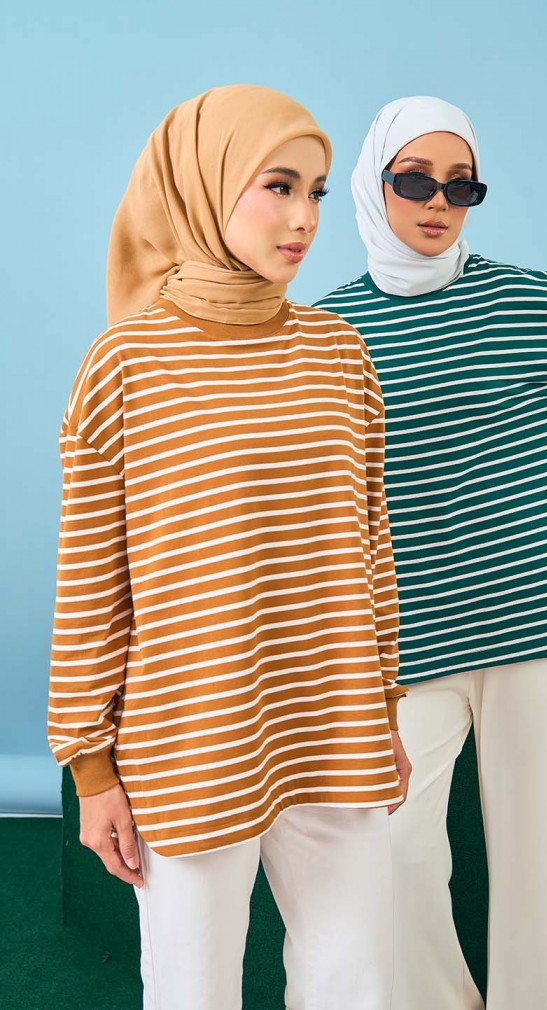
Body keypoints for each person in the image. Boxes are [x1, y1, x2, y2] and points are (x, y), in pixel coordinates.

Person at [47, 84, 411, 1010]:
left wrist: (384, 707)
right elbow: (91, 580)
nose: (304, 219)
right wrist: (92, 769)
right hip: (191, 736)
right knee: (193, 989)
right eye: (278, 186)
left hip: (334, 723)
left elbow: (370, 546)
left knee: (358, 982)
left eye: (317, 192)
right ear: (202, 185)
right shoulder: (125, 364)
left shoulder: (339, 354)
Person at [314, 95, 547, 1010]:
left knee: (530, 862)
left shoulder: (527, 298)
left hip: (542, 622)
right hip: (411, 639)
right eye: (415, 181)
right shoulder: (326, 333)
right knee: (389, 850)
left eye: (462, 185)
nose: (439, 202)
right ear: (372, 185)